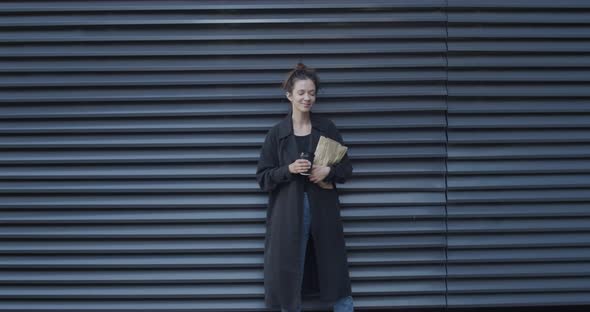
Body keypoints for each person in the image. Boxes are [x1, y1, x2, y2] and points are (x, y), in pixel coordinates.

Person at [256, 63, 355, 312]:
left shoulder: (327, 128)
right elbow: (263, 178)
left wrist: (328, 171)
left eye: (311, 92)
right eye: (301, 93)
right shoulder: (277, 134)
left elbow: (347, 169)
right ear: (289, 95)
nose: (307, 98)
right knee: (288, 274)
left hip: (323, 212)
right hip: (288, 216)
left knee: (334, 271)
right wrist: (287, 170)